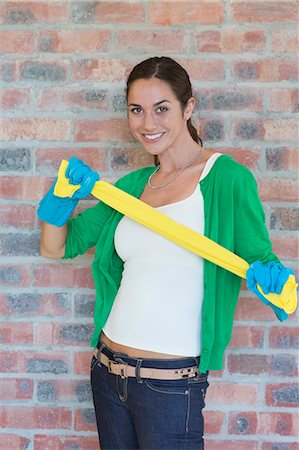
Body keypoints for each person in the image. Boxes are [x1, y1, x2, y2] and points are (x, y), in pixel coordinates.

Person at [37, 56, 292, 450]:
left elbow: (261, 258)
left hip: (171, 387)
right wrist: (60, 198)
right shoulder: (130, 188)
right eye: (136, 110)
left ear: (188, 108)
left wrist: (278, 286)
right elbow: (56, 246)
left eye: (162, 109)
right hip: (106, 372)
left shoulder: (225, 178)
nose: (147, 124)